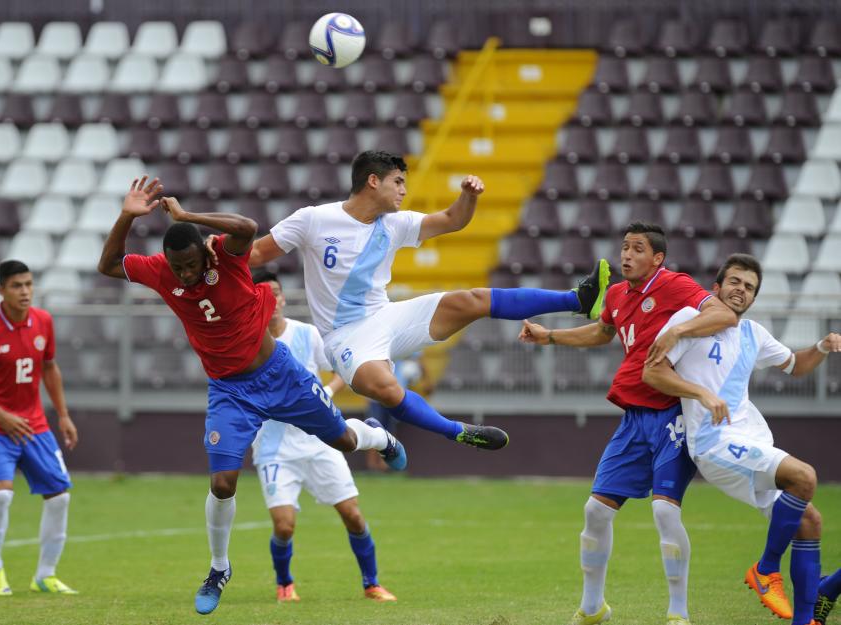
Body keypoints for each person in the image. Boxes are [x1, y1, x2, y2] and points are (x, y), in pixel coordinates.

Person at [96, 176, 406, 616]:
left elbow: (246, 225)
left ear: (205, 250)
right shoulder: (163, 271)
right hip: (230, 392)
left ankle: (380, 437)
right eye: (177, 267)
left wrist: (187, 216)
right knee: (222, 483)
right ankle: (218, 569)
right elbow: (108, 265)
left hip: (280, 375)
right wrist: (127, 215)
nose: (185, 274)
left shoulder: (226, 254)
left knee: (343, 440)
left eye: (189, 264)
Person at [216, 150, 611, 453]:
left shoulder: (396, 224)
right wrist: (211, 263)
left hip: (387, 317)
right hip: (344, 338)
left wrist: (468, 196)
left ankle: (579, 298)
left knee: (470, 298)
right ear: (373, 182)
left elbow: (453, 220)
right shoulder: (313, 219)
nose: (404, 190)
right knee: (385, 388)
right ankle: (459, 432)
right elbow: (253, 256)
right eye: (398, 182)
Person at [520, 222, 739, 625]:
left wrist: (678, 332)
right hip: (634, 419)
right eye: (624, 247)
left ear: (657, 258)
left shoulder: (674, 284)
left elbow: (723, 314)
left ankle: (678, 614)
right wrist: (549, 335)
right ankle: (592, 608)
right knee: (595, 512)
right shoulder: (619, 294)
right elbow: (602, 333)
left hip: (673, 414)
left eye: (637, 249)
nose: (627, 255)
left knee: (665, 513)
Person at [642, 253, 840, 625]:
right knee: (805, 477)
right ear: (715, 288)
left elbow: (796, 366)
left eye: (749, 287)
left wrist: (823, 348)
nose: (741, 290)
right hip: (714, 443)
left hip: (752, 442)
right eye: (734, 282)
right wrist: (700, 393)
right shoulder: (688, 321)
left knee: (809, 521)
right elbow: (652, 373)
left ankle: (806, 619)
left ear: (753, 298)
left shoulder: (754, 334)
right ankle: (766, 570)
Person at [251, 271, 396, 603]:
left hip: (320, 441)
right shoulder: (249, 342)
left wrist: (326, 392)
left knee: (353, 514)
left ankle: (371, 583)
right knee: (284, 526)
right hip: (275, 447)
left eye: (275, 293)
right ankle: (285, 583)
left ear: (283, 298)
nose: (271, 300)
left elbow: (341, 369)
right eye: (263, 294)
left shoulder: (306, 334)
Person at [0, 260, 79, 597]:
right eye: (16, 286)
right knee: (1, 495)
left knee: (60, 499)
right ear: (1, 291)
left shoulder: (44, 321)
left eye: (28, 284)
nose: (25, 291)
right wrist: (0, 414)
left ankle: (45, 575)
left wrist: (64, 415)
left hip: (35, 425)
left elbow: (50, 368)